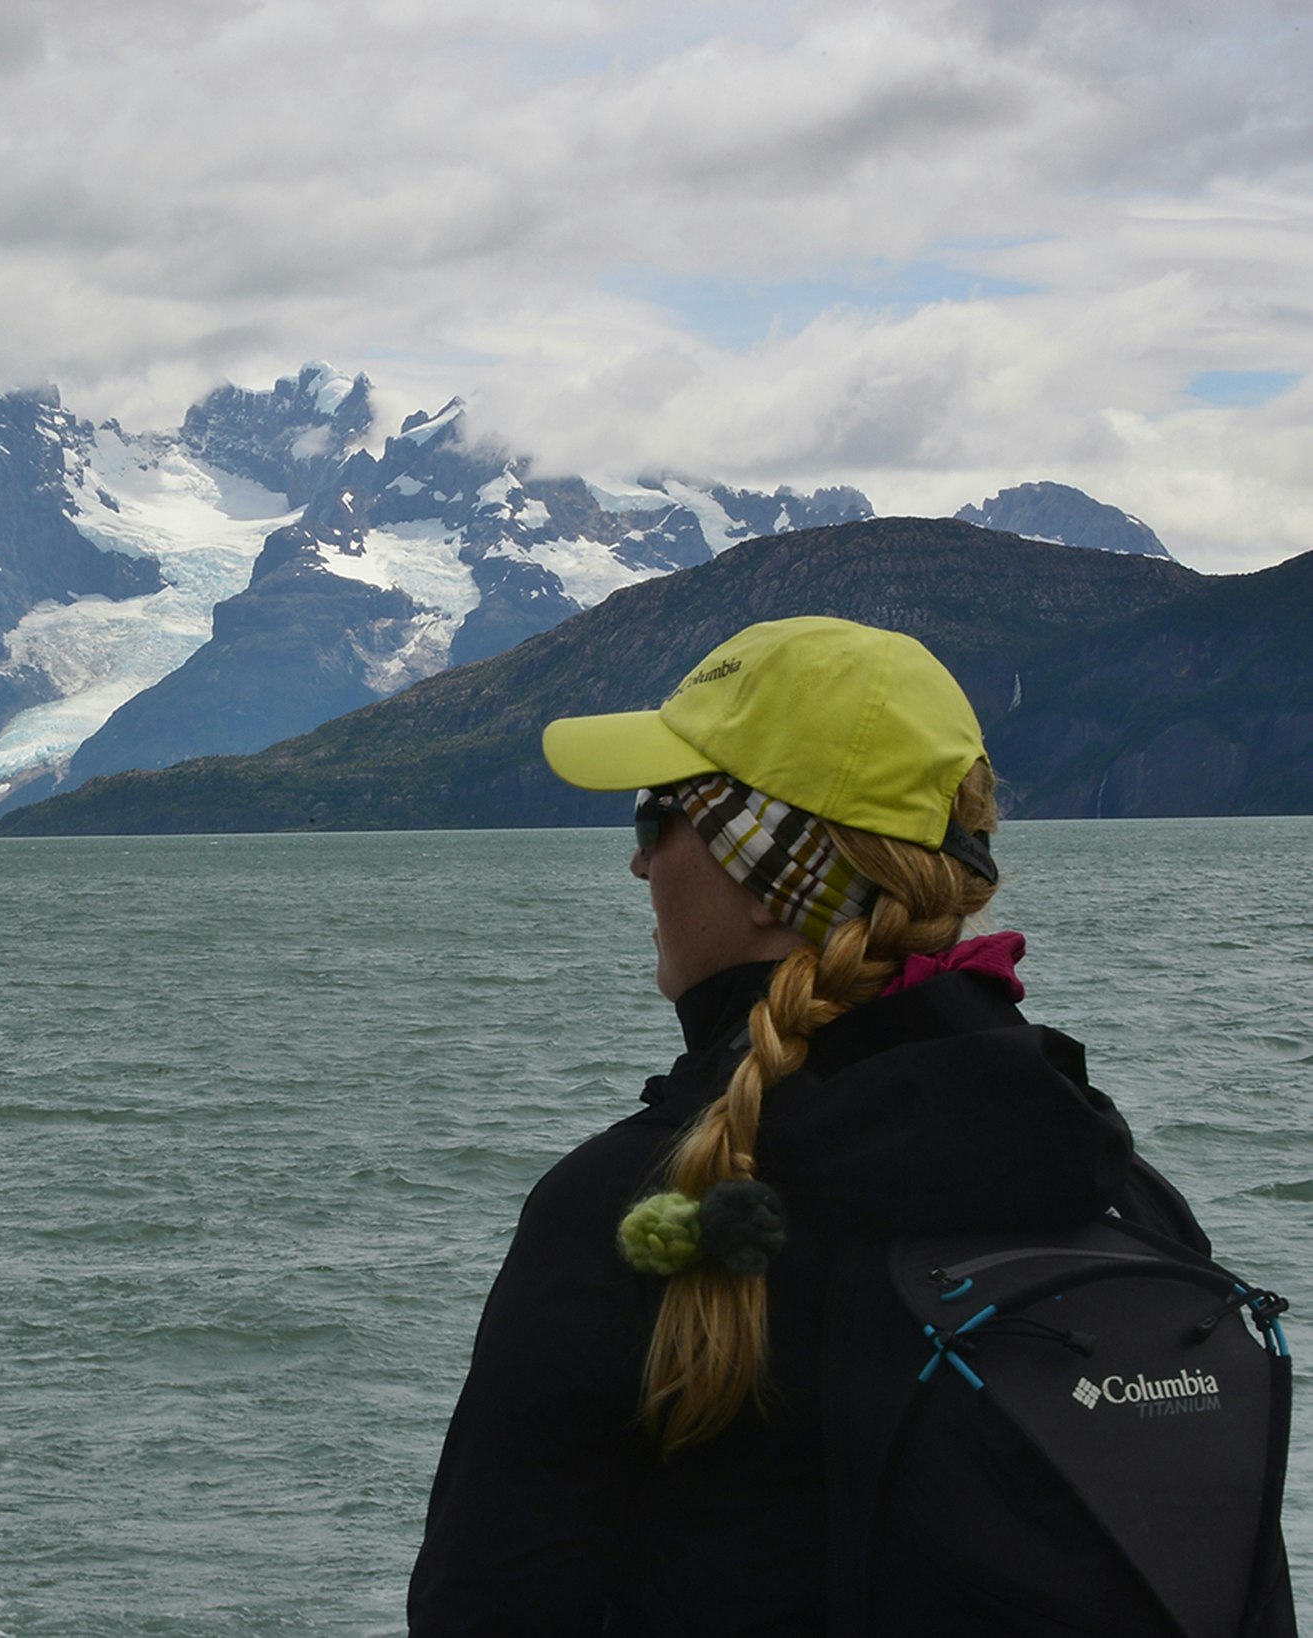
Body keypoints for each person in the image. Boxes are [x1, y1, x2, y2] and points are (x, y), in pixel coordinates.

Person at [406, 617, 1288, 1635]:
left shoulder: (631, 1215)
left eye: (656, 819)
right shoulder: (1115, 1188)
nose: (639, 867)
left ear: (763, 874)